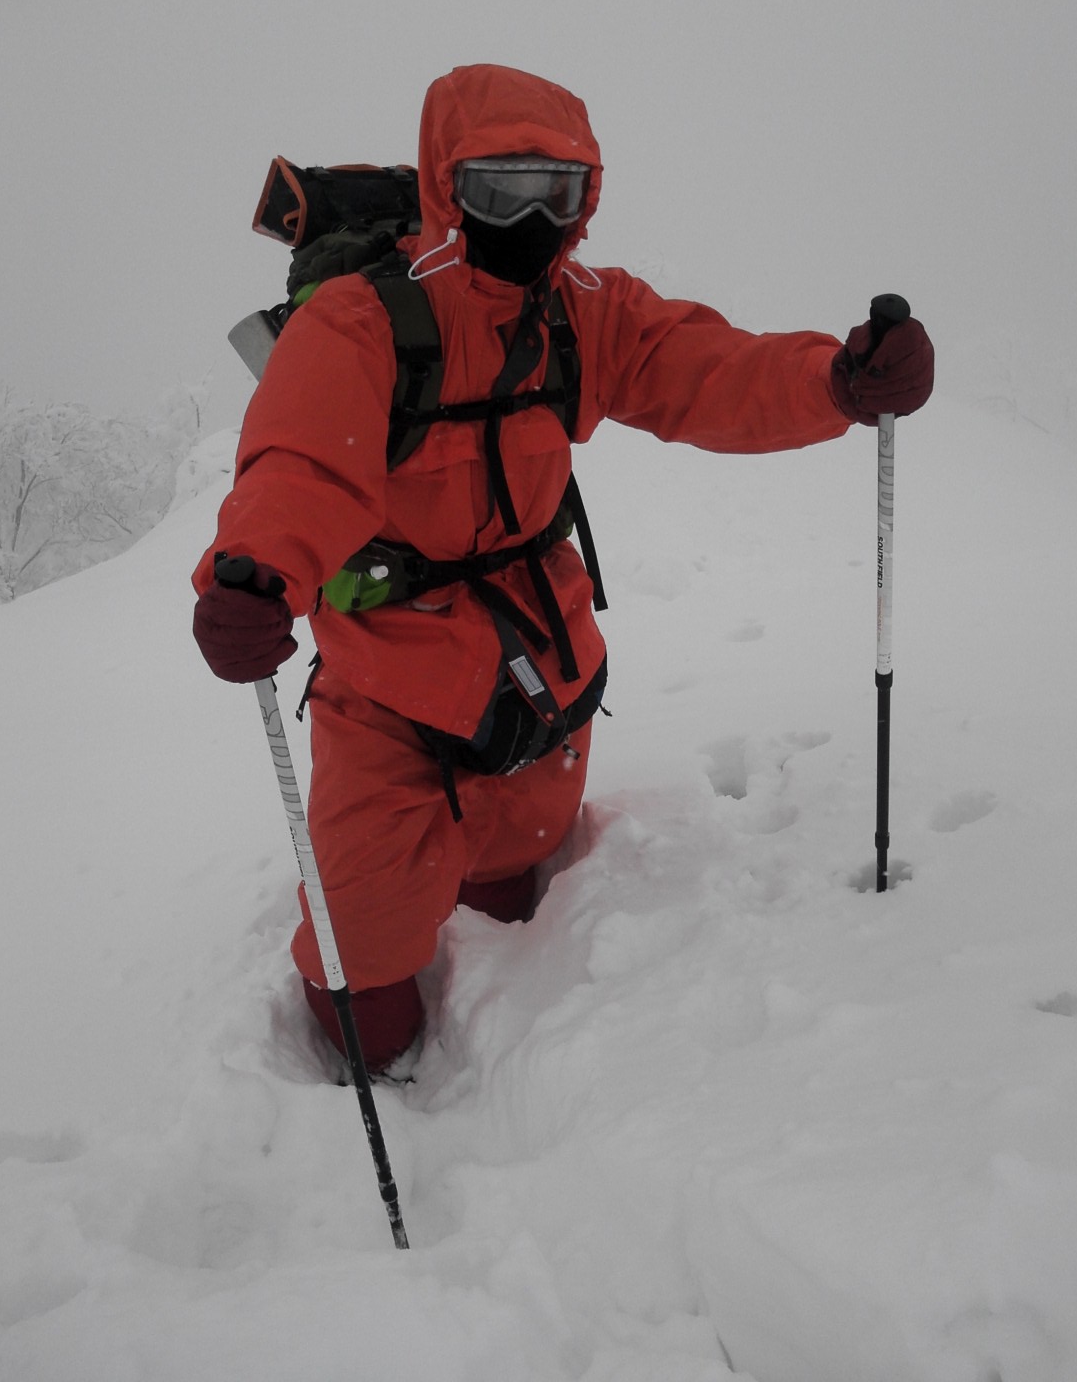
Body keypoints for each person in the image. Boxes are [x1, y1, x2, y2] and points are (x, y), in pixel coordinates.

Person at [192, 62, 933, 1074]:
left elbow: (708, 369)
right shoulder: (363, 322)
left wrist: (835, 381)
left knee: (517, 893)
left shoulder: (583, 310)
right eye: (502, 189)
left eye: (562, 192)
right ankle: (371, 1028)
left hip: (537, 672)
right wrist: (253, 573)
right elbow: (301, 462)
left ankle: (495, 935)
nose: (533, 217)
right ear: (450, 187)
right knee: (368, 998)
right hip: (387, 692)